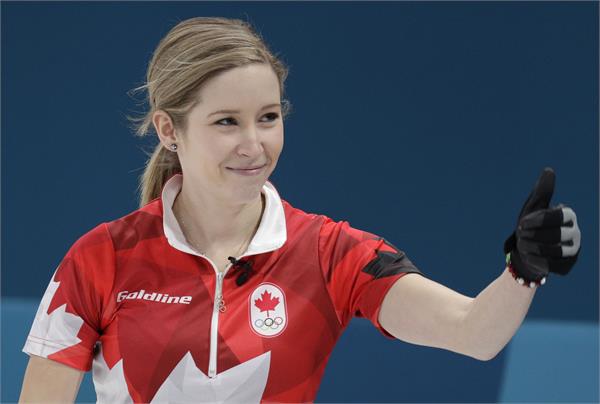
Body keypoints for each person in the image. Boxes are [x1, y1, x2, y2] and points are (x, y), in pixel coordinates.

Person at [19, 16, 581, 403]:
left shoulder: (331, 254)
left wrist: (522, 270)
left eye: (268, 117)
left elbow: (473, 334)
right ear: (169, 129)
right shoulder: (100, 259)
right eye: (226, 122)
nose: (254, 144)